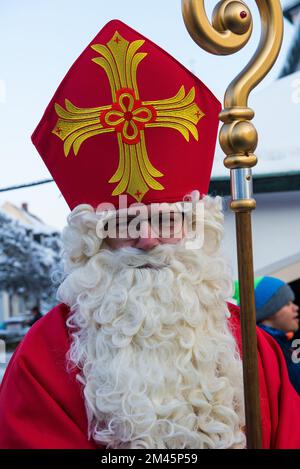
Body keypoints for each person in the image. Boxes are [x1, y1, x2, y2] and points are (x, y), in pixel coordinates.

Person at [1, 20, 300, 450]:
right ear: (92, 240)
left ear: (196, 226)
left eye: (166, 219)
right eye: (122, 222)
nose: (146, 239)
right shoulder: (40, 361)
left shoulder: (254, 350)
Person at [241, 276, 300, 395]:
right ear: (270, 310)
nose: (295, 308)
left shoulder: (284, 342)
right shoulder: (266, 351)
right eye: (287, 303)